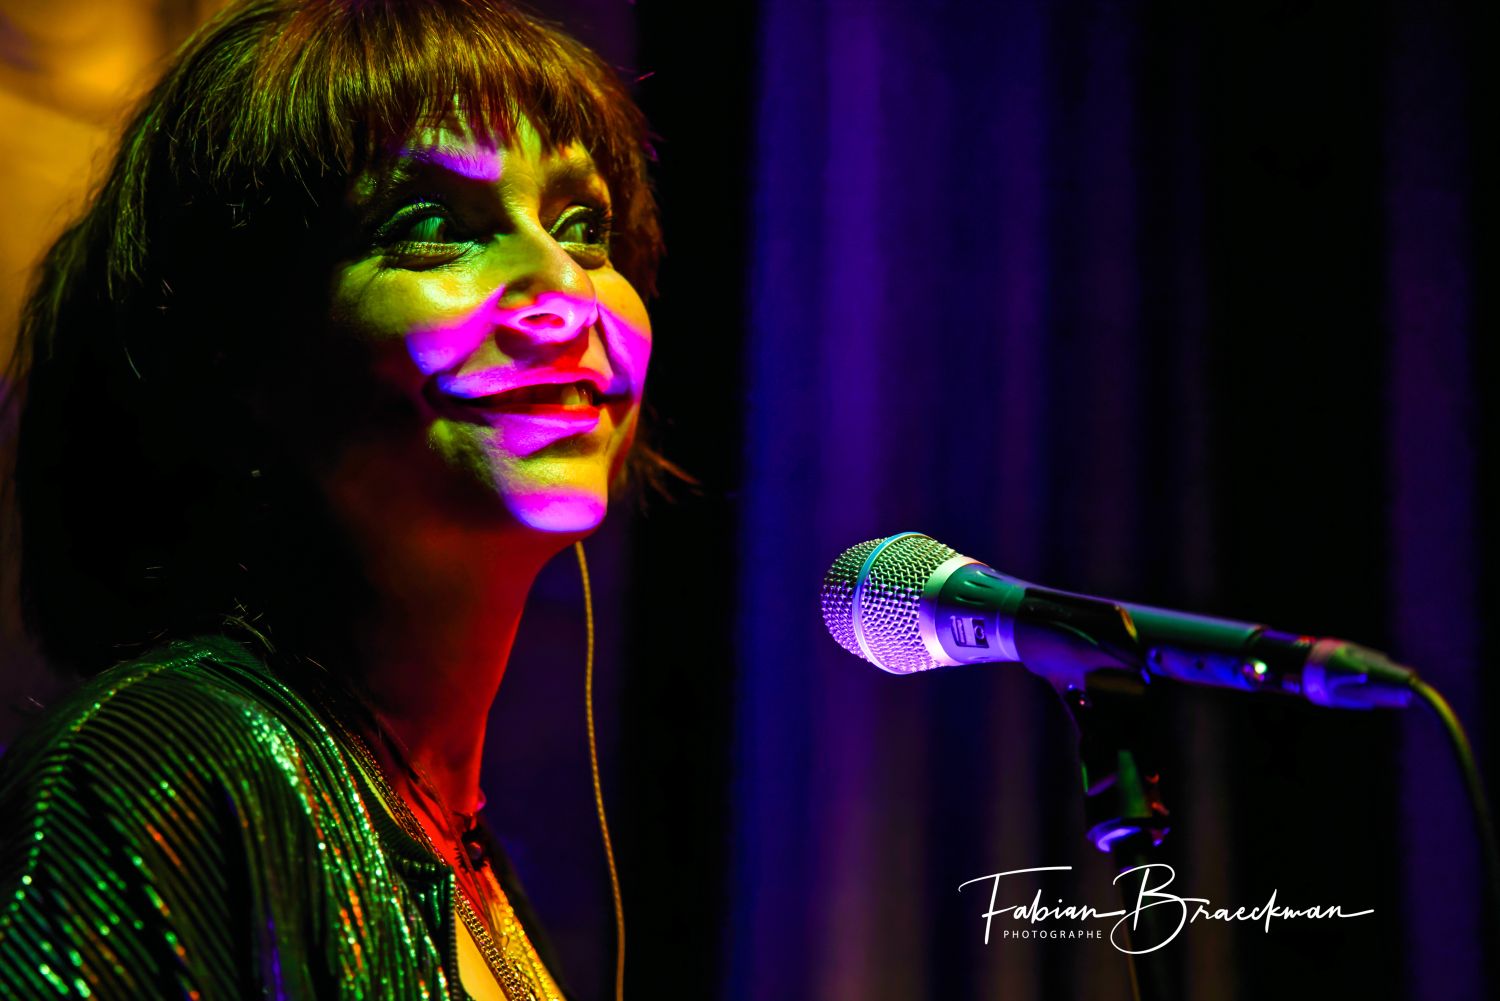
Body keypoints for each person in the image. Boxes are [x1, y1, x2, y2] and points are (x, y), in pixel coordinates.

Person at [0, 0, 668, 997]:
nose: (563, 288)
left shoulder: (455, 842)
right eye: (431, 228)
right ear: (235, 355)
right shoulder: (157, 775)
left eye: (585, 230)